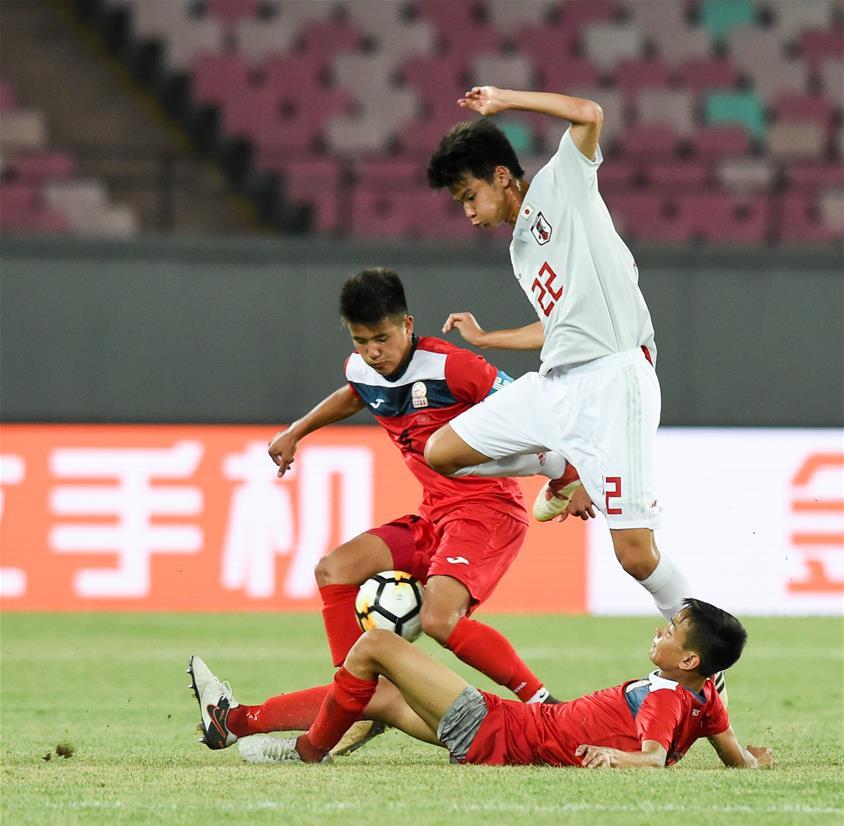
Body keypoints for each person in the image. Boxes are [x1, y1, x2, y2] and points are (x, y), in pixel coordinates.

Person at [191, 268, 573, 753]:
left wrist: (566, 475)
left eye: (383, 338)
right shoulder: (361, 367)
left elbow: (530, 407)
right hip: (434, 515)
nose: (373, 351)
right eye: (361, 340)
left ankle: (541, 703)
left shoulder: (452, 367)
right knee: (334, 568)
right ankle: (355, 697)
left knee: (438, 620)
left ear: (408, 325)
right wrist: (297, 431)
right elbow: (356, 393)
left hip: (487, 511)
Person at [422, 86, 722, 691]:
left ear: (503, 176)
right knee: (442, 452)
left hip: (614, 379)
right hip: (558, 385)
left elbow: (591, 114)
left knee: (636, 555)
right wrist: (491, 337)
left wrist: (503, 100)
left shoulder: (565, 183)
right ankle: (562, 467)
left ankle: (707, 677)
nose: (468, 211)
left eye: (470, 195)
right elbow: (558, 325)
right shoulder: (519, 248)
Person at [190, 599, 771, 770]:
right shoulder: (705, 696)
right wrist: (753, 759)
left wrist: (620, 761)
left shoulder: (668, 695)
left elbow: (649, 753)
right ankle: (232, 722)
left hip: (501, 728)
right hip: (512, 730)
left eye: (671, 630)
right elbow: (732, 757)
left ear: (689, 659)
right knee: (385, 697)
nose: (659, 631)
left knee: (373, 648)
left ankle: (309, 751)